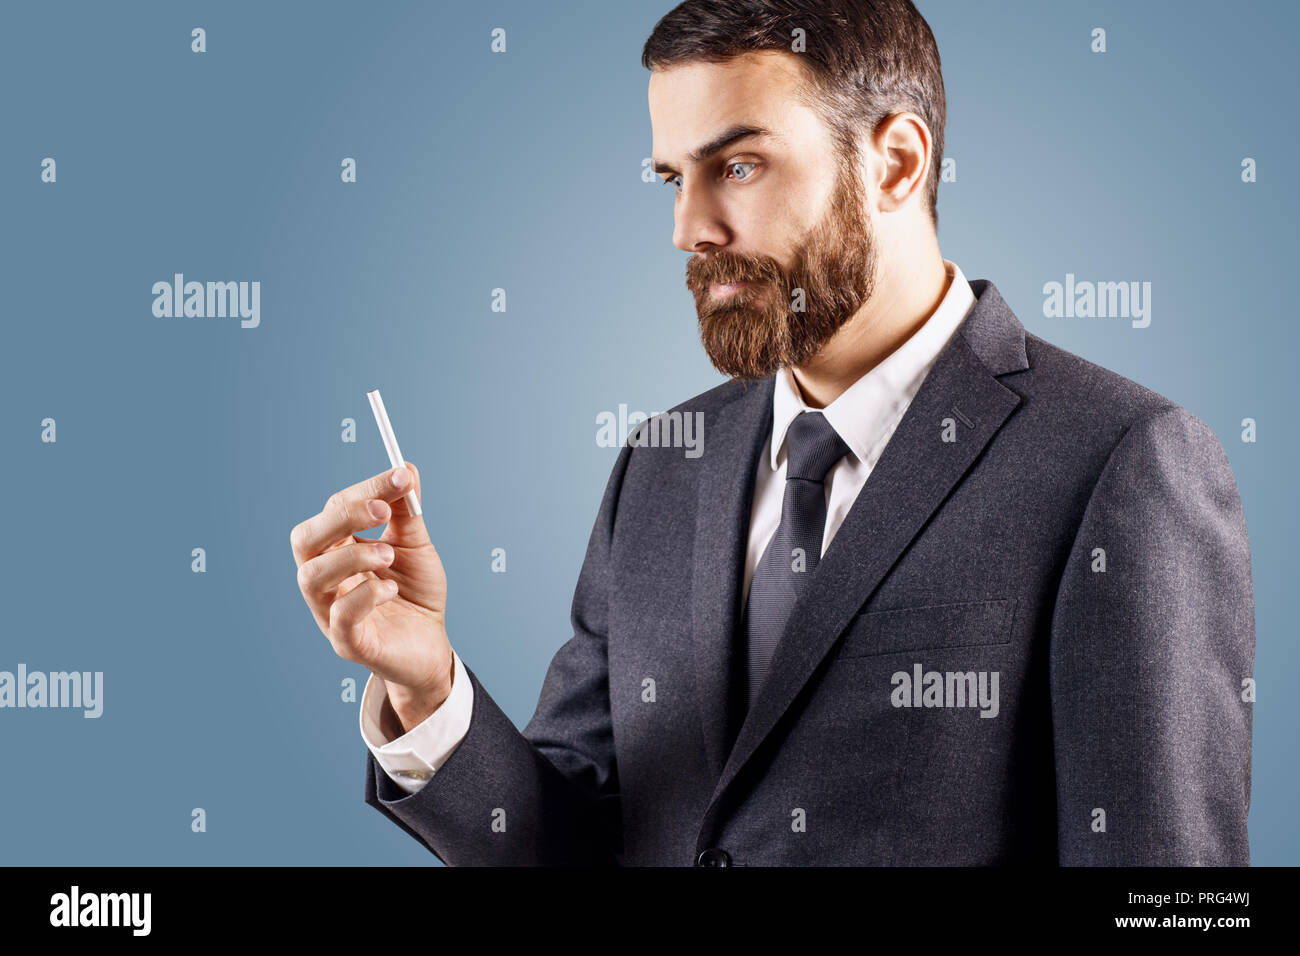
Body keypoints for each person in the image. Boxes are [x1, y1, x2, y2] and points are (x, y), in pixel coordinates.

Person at [289, 0, 1254, 865]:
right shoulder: (662, 465)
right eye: (673, 176)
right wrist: (428, 689)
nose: (689, 227)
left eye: (737, 166)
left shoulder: (1120, 461)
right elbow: (580, 844)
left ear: (897, 162)